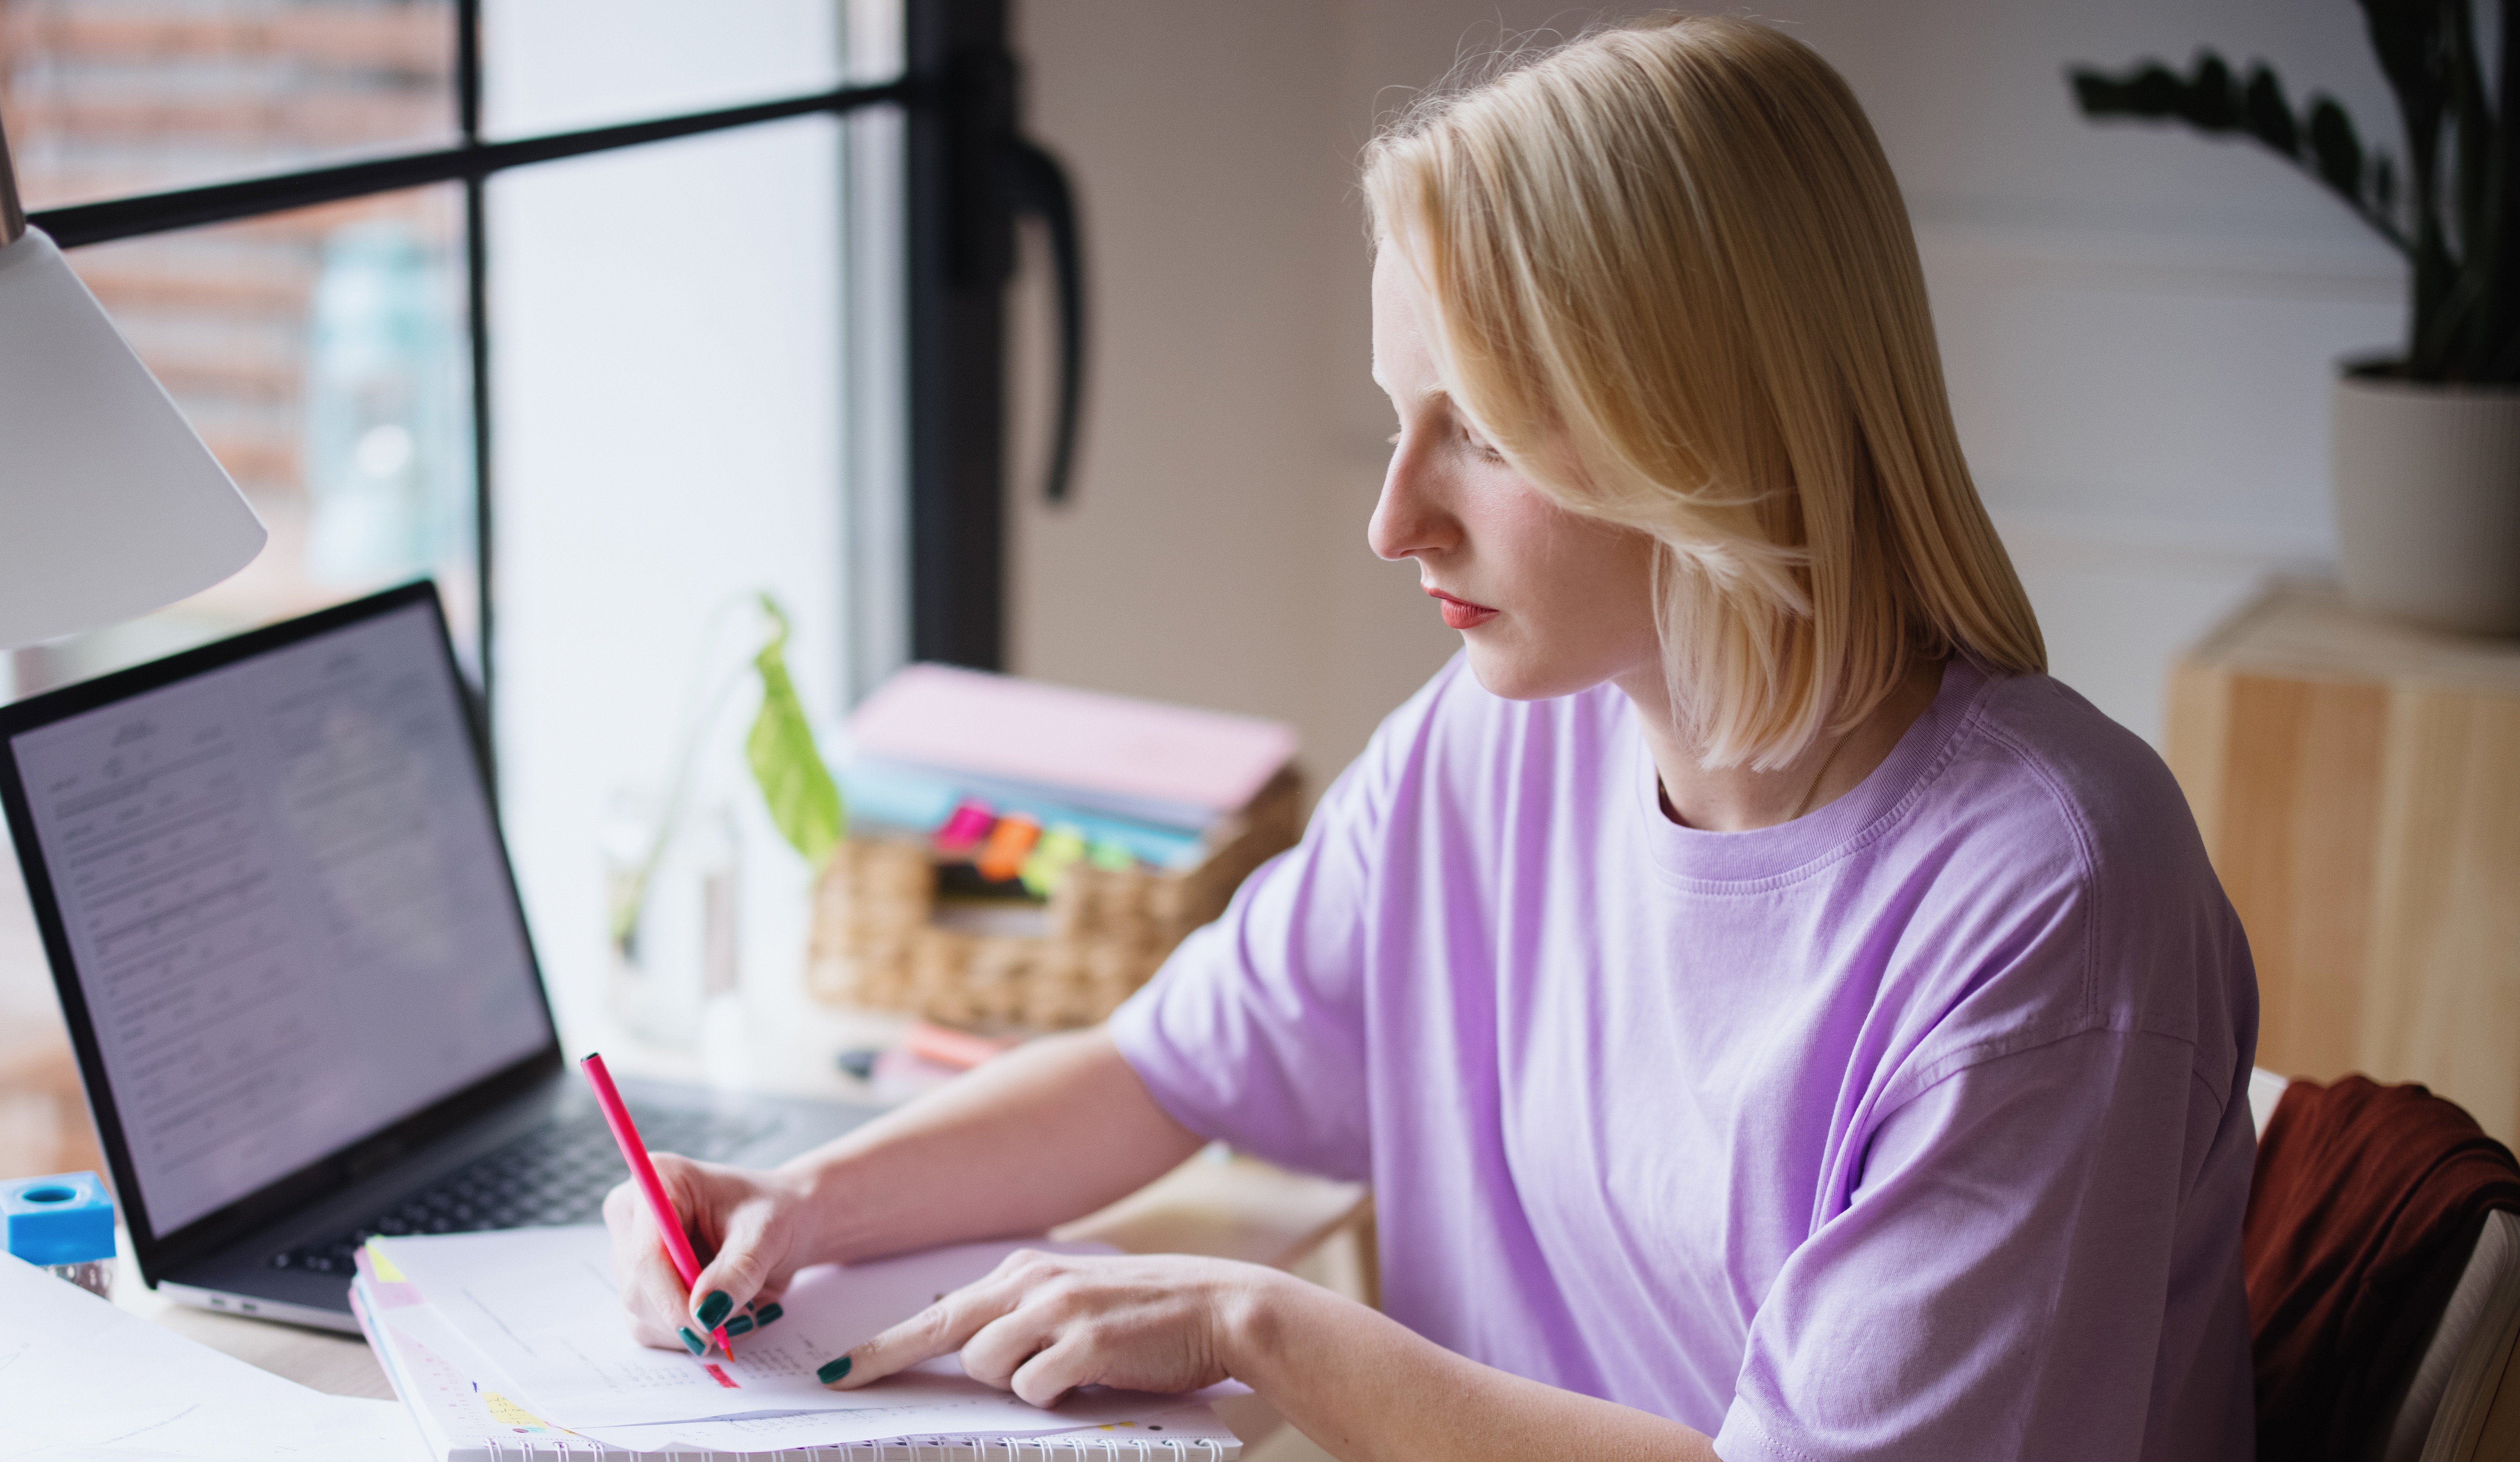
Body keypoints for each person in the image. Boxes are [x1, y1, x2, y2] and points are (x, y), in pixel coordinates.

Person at [602, 15, 2259, 1459]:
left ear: (1705, 427)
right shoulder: (1488, 753)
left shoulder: (2047, 900)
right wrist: (802, 1204)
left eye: (1481, 431)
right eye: (1404, 419)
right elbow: (1160, 1070)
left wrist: (1259, 1325)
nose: (1394, 519)